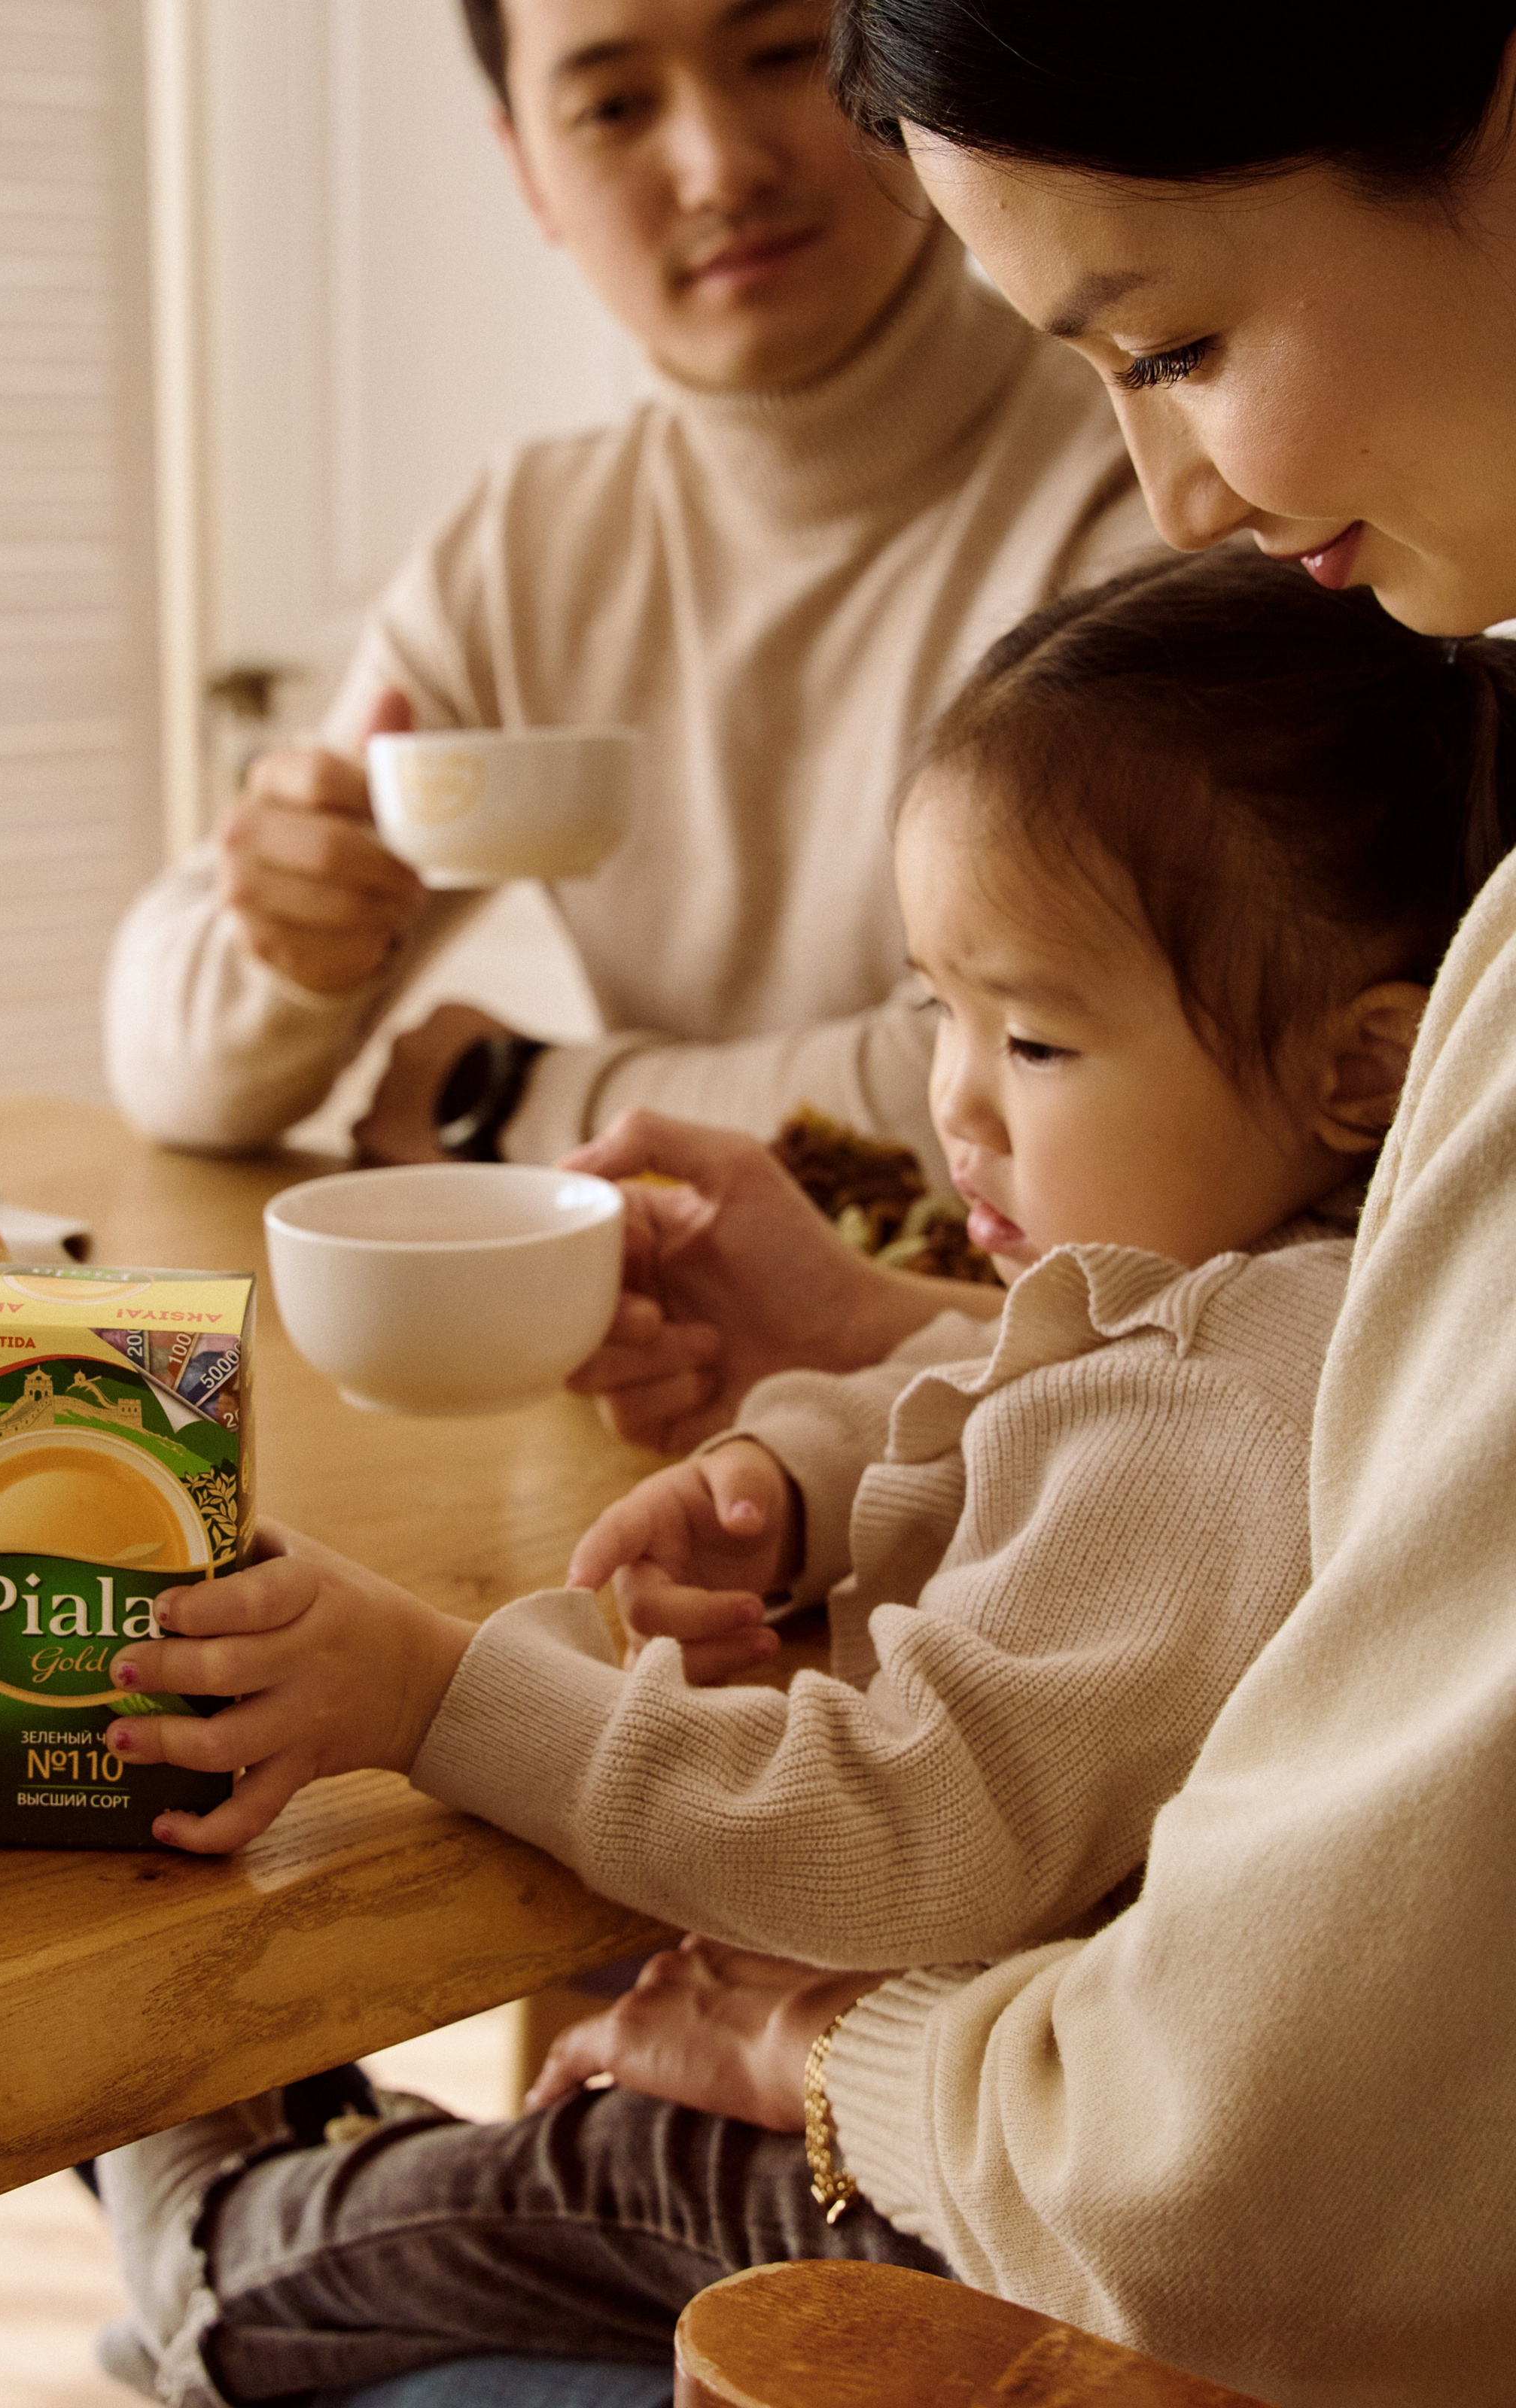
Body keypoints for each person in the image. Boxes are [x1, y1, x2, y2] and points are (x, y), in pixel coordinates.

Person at [87, 549, 1513, 2405]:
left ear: (1361, 1068)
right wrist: (807, 1466)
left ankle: (216, 2251)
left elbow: (906, 1836)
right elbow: (1026, 1383)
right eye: (933, 1009)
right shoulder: (1284, 1302)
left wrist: (434, 1689)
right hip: (1005, 2103)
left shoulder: (1213, 1403)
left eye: (1033, 1037)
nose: (954, 1104)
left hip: (984, 2220)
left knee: (624, 2167)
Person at [432, 11, 1516, 2402]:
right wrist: (852, 1380)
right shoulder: (529, 528)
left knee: (470, 2224)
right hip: (1053, 2112)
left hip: (1094, 2211)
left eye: (1186, 342)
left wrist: (849, 2051)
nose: (1178, 490)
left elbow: (1249, 2166)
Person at [102, 0, 1157, 1182]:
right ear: (528, 174)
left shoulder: (1146, 486)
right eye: (614, 106)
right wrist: (292, 945)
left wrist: (508, 1101)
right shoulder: (532, 550)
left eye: (781, 57)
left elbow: (1057, 1093)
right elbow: (170, 1065)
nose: (719, 169)